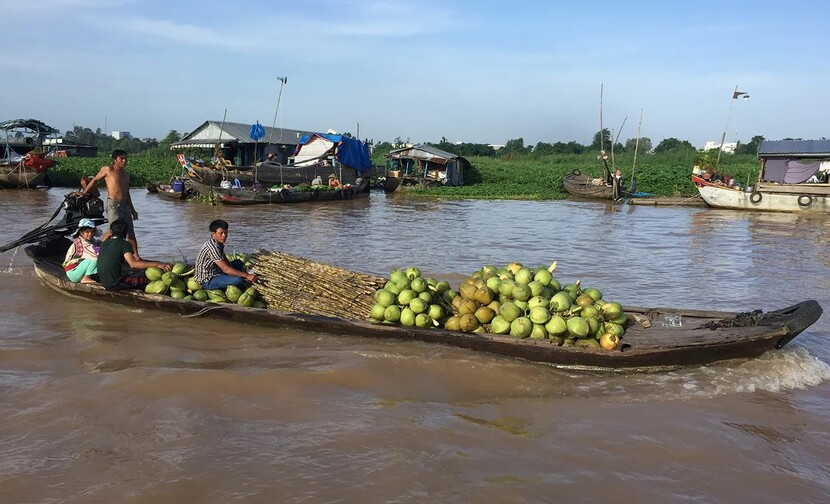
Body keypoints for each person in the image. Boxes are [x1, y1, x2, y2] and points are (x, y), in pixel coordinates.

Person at [79, 149, 140, 258]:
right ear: (114, 160)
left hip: (124, 205)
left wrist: (133, 210)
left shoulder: (126, 174)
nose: (124, 161)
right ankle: (95, 250)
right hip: (113, 205)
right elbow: (94, 180)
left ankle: (136, 256)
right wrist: (84, 193)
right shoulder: (108, 169)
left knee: (130, 232)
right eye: (121, 158)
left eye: (125, 158)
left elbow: (127, 193)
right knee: (113, 230)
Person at [97, 220, 171, 290]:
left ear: (111, 231)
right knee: (147, 276)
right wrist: (157, 264)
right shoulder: (124, 244)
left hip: (104, 280)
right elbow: (133, 264)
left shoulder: (104, 243)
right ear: (125, 232)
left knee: (134, 271)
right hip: (115, 284)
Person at [195, 219, 256, 290]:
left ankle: (233, 277)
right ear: (213, 234)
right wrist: (246, 275)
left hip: (217, 271)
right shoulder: (212, 248)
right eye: (220, 233)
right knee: (238, 280)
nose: (224, 235)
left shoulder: (218, 243)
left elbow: (225, 259)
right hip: (208, 280)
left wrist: (233, 271)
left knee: (238, 263)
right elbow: (225, 269)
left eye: (226, 232)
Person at [62, 218, 100, 284]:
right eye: (87, 232)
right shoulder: (80, 243)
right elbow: (95, 253)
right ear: (81, 232)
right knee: (95, 257)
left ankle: (89, 275)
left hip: (79, 268)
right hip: (73, 272)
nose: (90, 234)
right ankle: (86, 278)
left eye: (92, 231)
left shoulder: (91, 240)